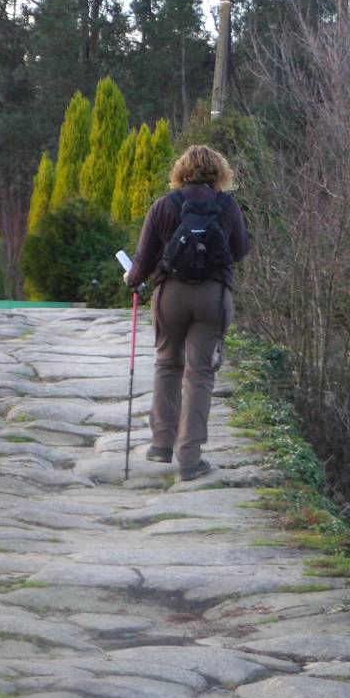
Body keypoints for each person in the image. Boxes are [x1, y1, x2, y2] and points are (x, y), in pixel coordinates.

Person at [123, 144, 251, 482]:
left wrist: (132, 280)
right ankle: (190, 459)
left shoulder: (165, 206)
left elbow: (144, 259)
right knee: (200, 374)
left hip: (171, 295)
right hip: (212, 295)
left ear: (179, 172)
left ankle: (161, 445)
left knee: (167, 364)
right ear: (220, 173)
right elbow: (239, 251)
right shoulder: (226, 206)